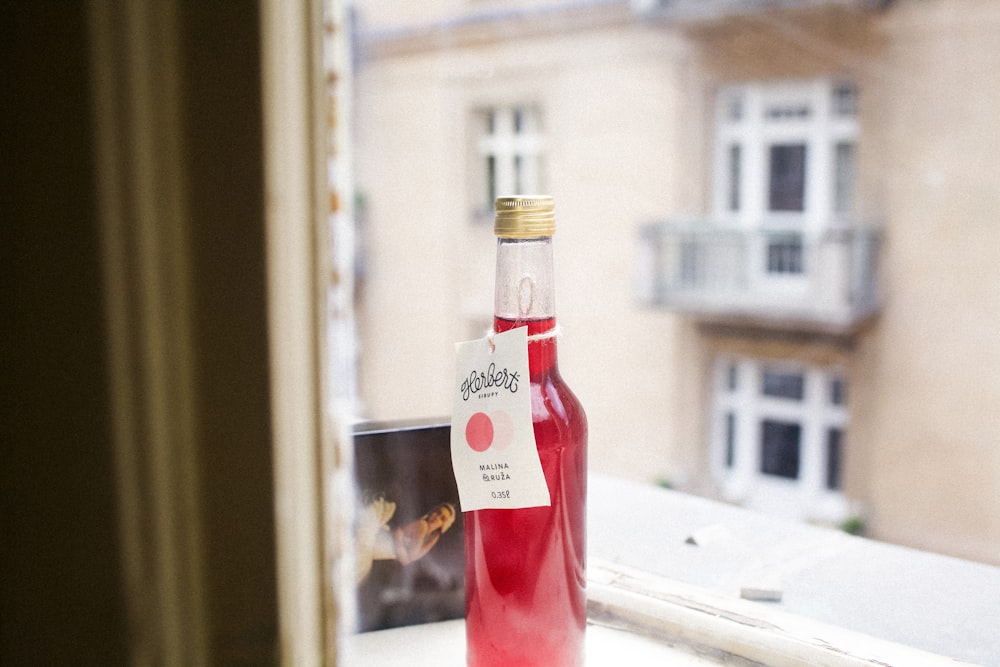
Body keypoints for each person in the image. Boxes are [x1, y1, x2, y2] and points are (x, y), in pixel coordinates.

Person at [355, 497, 457, 581]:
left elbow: (408, 559)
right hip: (375, 542)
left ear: (443, 525)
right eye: (437, 512)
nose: (437, 517)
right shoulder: (423, 526)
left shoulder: (433, 537)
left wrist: (398, 540)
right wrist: (400, 544)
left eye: (442, 518)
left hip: (376, 548)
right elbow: (407, 559)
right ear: (433, 511)